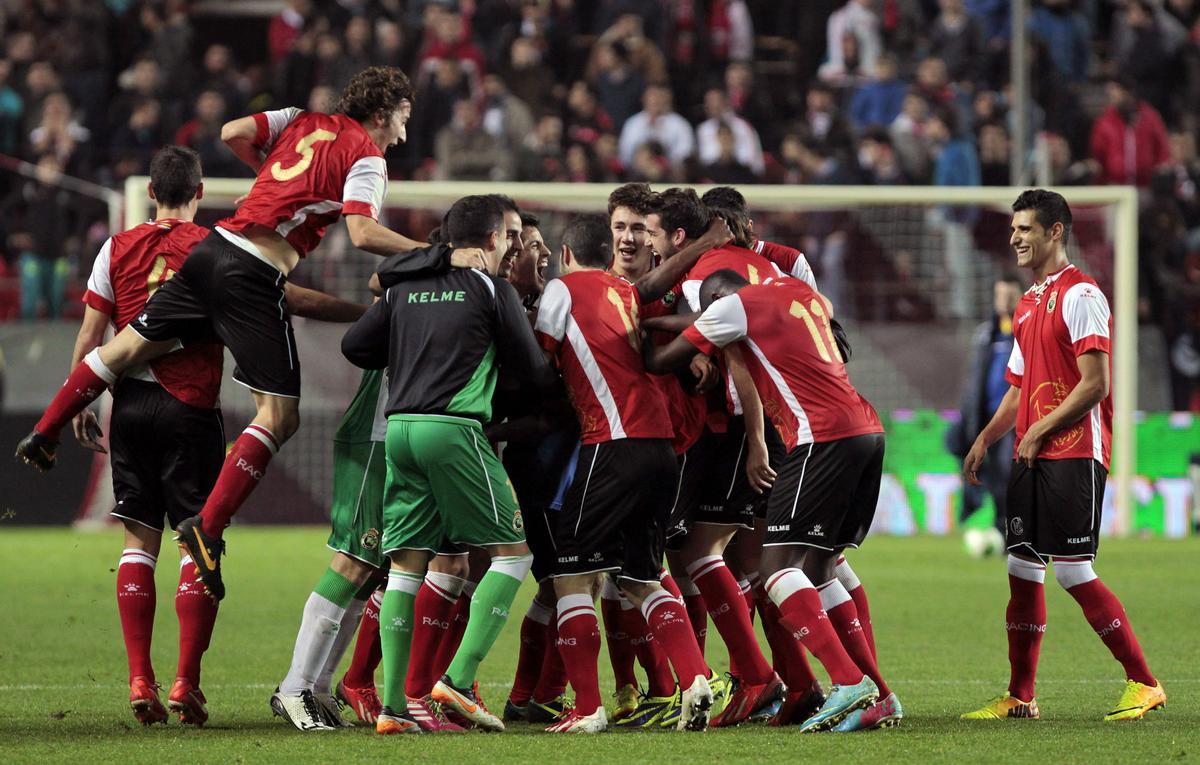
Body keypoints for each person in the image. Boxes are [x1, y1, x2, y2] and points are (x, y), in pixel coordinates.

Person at [16, 67, 480, 603]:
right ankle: (207, 529)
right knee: (280, 415)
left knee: (123, 349)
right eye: (402, 119)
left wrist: (273, 177)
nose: (402, 133)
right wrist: (438, 253)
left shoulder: (303, 120)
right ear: (382, 113)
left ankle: (44, 432)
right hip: (254, 272)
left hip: (212, 248)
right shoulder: (367, 156)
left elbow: (232, 131)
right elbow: (362, 232)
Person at [644, 268, 900, 733]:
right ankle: (881, 695)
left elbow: (665, 362)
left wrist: (645, 329)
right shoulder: (800, 292)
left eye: (708, 310)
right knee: (821, 569)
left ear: (717, 301)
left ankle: (848, 683)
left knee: (778, 568)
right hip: (867, 430)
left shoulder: (734, 308)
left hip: (820, 436)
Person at [341, 195, 558, 735]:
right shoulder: (491, 288)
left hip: (400, 432)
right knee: (513, 555)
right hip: (453, 430)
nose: (512, 245)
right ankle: (457, 680)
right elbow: (534, 374)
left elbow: (355, 346)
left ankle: (393, 706)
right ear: (491, 239)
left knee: (407, 567)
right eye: (507, 237)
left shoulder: (404, 288)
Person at [961, 190, 1166, 722]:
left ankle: (1144, 683)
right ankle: (1020, 696)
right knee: (1022, 567)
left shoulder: (1082, 295)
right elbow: (1017, 387)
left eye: (1026, 228)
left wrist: (1042, 429)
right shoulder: (1028, 303)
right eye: (1012, 230)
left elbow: (1095, 384)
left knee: (1074, 570)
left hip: (1076, 451)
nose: (1015, 238)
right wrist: (986, 438)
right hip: (1034, 452)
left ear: (1056, 232)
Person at [533, 213, 731, 734]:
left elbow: (538, 362)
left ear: (566, 255)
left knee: (569, 572)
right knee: (642, 576)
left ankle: (588, 706)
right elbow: (649, 287)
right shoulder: (624, 293)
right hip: (662, 451)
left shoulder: (562, 289)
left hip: (611, 443)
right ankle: (694, 679)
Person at [74, 146, 223, 728]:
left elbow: (91, 331)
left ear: (153, 193)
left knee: (139, 543)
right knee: (200, 546)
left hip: (129, 405)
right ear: (200, 191)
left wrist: (81, 397)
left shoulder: (114, 247)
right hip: (192, 409)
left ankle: (141, 677)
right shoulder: (214, 249)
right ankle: (186, 681)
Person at [947, 277, 1023, 540]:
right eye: (1000, 294)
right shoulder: (985, 334)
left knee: (1006, 474)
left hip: (1011, 420)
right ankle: (978, 504)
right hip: (983, 416)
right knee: (955, 444)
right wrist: (968, 414)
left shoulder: (1026, 332)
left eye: (1009, 294)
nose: (1004, 299)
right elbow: (975, 378)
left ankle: (1006, 528)